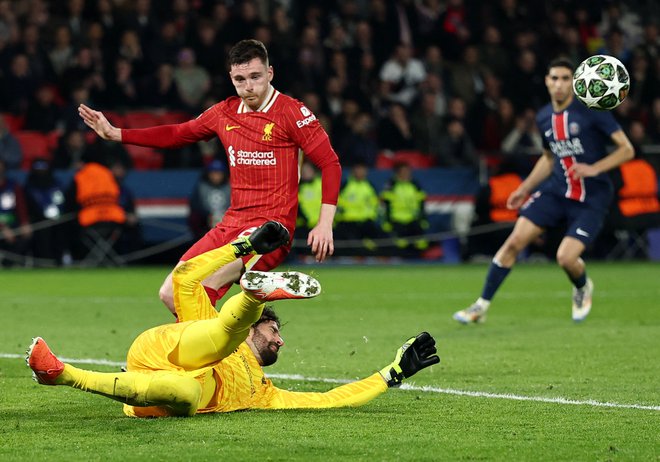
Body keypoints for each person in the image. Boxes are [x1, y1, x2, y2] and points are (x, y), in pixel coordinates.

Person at [26, 221, 439, 417]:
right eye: (275, 330)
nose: (281, 342)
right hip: (164, 348)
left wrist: (393, 373)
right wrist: (241, 246)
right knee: (222, 334)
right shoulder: (218, 325)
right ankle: (253, 293)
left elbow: (329, 399)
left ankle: (61, 374)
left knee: (186, 390)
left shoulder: (263, 391)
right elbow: (185, 277)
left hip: (161, 400)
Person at [78, 39, 341, 316]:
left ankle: (240, 317)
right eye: (240, 79)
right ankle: (236, 342)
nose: (248, 86)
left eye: (255, 77)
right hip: (231, 224)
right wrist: (117, 133)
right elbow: (178, 134)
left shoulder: (291, 112)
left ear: (270, 73)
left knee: (201, 289)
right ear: (231, 78)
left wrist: (325, 224)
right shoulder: (224, 113)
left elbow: (330, 163)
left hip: (269, 230)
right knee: (171, 292)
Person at [453, 58, 634, 324]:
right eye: (554, 78)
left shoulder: (592, 111)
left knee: (565, 258)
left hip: (591, 197)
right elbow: (549, 158)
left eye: (564, 78)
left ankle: (582, 287)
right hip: (556, 192)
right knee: (513, 242)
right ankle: (480, 306)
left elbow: (627, 149)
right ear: (547, 82)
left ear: (574, 82)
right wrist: (524, 188)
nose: (559, 84)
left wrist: (595, 168)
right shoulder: (543, 117)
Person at [188, 159, 231, 241]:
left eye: (218, 173)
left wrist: (225, 216)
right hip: (205, 221)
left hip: (227, 219)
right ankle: (199, 239)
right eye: (213, 173)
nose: (216, 176)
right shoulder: (201, 186)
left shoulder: (230, 186)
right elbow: (195, 205)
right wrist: (208, 215)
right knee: (194, 217)